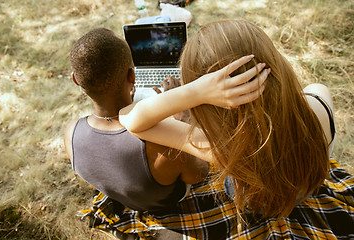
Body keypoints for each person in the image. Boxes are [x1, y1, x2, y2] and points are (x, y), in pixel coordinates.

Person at [119, 19, 354, 238]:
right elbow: (302, 98)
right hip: (305, 189)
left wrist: (194, 92)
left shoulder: (219, 148)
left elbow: (130, 118)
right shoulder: (320, 105)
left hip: (252, 201)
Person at [64, 28, 211, 213]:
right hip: (170, 202)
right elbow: (200, 173)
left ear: (76, 80)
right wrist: (184, 118)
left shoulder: (71, 135)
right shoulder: (164, 145)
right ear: (132, 76)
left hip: (129, 200)